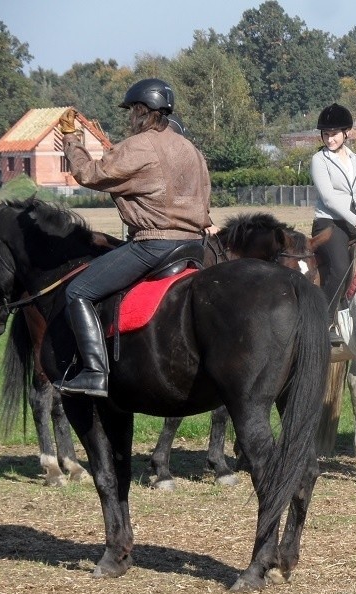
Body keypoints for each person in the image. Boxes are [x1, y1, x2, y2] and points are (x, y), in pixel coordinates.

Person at [55, 78, 213, 397]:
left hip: (154, 244)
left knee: (77, 291)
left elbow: (91, 174)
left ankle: (95, 373)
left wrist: (71, 140)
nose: (130, 118)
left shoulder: (141, 145)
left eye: (131, 111)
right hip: (195, 245)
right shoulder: (190, 148)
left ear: (142, 110)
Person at [310, 103, 356, 342]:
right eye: (325, 134)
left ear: (346, 133)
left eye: (333, 134)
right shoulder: (319, 160)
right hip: (329, 224)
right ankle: (325, 323)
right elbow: (329, 199)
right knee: (340, 268)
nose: (329, 139)